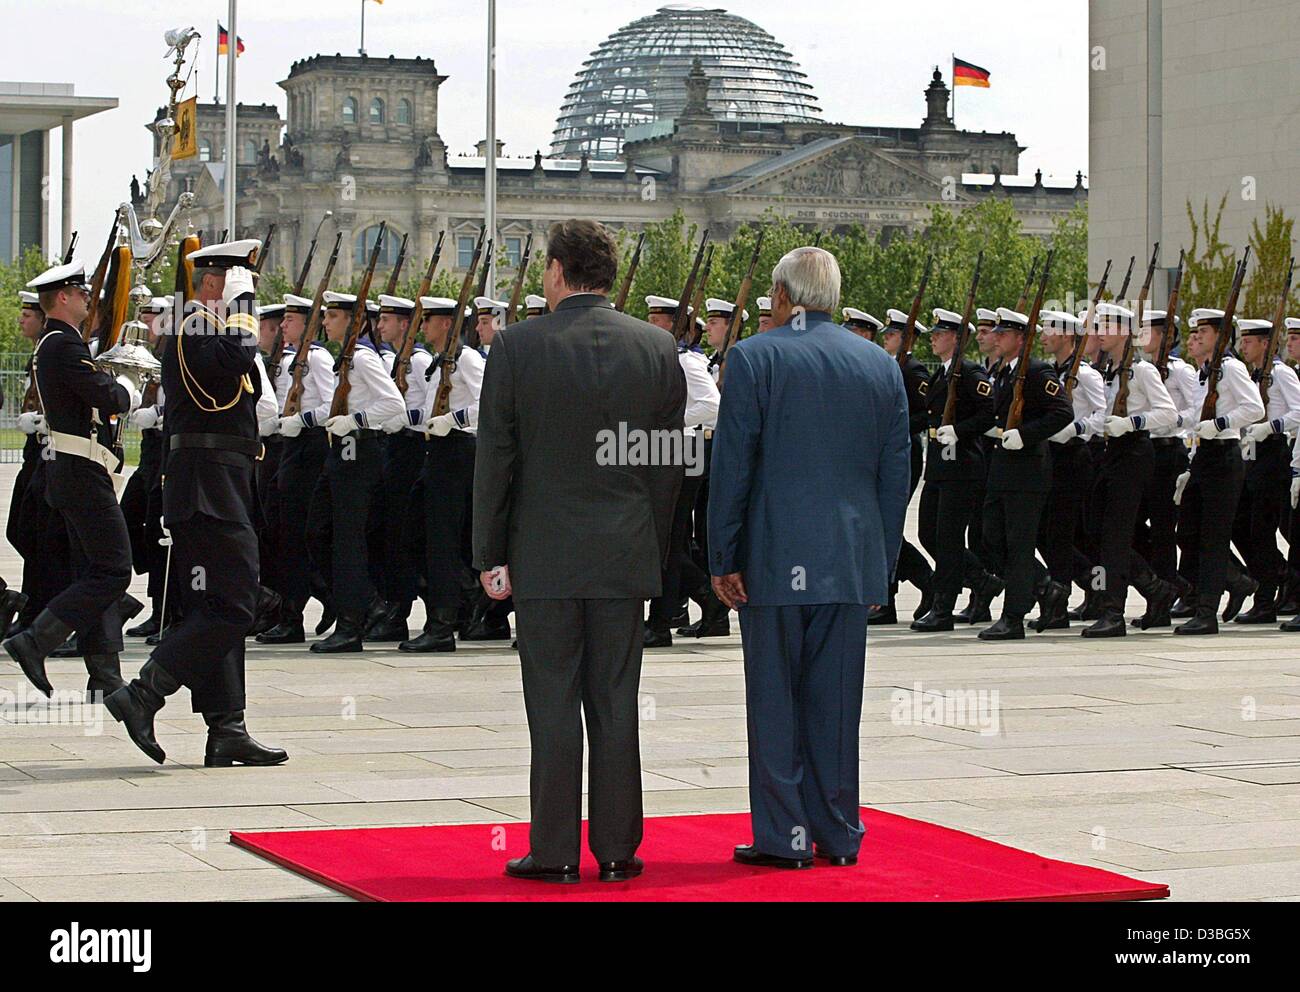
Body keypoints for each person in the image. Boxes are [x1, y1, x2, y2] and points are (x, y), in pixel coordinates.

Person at [474, 219, 686, 884]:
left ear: (560, 270)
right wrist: (648, 542)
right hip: (623, 554)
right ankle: (619, 850)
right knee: (617, 702)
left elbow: (495, 461)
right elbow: (667, 464)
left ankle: (557, 850)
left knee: (554, 703)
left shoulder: (515, 348)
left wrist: (489, 553)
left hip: (544, 557)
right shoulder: (656, 348)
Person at [709, 246, 911, 869]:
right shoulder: (879, 364)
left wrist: (722, 556)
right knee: (835, 704)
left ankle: (784, 837)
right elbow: (894, 475)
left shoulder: (752, 357)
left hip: (771, 562)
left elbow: (732, 468)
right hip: (848, 564)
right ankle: (839, 832)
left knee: (776, 703)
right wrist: (882, 563)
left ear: (780, 296)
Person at [104, 239, 286, 767]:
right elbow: (236, 356)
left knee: (220, 606)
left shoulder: (209, 331)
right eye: (238, 283)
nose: (243, 295)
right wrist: (247, 309)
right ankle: (143, 694)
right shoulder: (196, 327)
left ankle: (227, 727)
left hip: (221, 486)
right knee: (235, 604)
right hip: (207, 490)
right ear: (215, 282)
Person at [4, 259, 138, 700]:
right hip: (81, 473)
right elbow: (103, 397)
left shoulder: (58, 342)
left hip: (75, 470)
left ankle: (104, 672)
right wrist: (127, 389)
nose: (87, 297)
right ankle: (36, 639)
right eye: (80, 292)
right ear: (62, 298)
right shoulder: (64, 344)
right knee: (114, 570)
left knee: (93, 569)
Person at [306, 290, 405, 652]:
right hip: (340, 455)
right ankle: (366, 604)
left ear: (353, 321)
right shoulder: (345, 359)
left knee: (348, 543)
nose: (326, 322)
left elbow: (393, 402)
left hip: (358, 454)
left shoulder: (362, 358)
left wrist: (356, 420)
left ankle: (351, 626)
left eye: (333, 316)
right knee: (317, 531)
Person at [978, 308, 1074, 641]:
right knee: (991, 537)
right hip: (1002, 468)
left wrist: (1027, 434)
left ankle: (1013, 617)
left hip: (1028, 471)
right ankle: (1046, 588)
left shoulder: (1036, 371)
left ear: (1021, 339)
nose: (996, 338)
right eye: (997, 333)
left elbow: (1062, 412)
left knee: (1019, 546)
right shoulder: (1002, 373)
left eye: (1003, 334)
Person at [1173, 308, 1266, 635]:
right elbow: (1198, 419)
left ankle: (1206, 612)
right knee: (1186, 532)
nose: (1196, 336)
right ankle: (1236, 580)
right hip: (1203, 457)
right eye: (1195, 331)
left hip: (1225, 457)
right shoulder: (1203, 371)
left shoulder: (1230, 368)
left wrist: (1221, 424)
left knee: (1213, 538)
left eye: (1204, 332)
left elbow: (1255, 408)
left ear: (1220, 336)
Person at [402, 298, 485, 653]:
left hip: (457, 452)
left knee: (442, 542)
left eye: (429, 320)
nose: (422, 327)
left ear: (447, 324)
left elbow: (492, 401)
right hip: (436, 451)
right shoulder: (440, 364)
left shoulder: (465, 358)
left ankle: (443, 623)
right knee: (417, 534)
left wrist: (455, 419)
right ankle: (465, 601)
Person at [912, 308, 996, 632]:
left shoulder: (970, 374)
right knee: (928, 534)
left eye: (940, 333)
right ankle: (981, 580)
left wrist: (960, 431)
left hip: (961, 467)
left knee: (947, 539)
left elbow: (989, 415)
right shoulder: (941, 375)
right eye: (933, 332)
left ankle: (943, 608)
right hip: (939, 466)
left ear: (957, 339)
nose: (932, 337)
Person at [257, 293, 334, 644]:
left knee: (294, 534)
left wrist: (301, 420)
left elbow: (333, 404)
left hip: (310, 447)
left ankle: (295, 613)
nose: (283, 325)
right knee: (279, 530)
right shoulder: (290, 360)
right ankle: (290, 608)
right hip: (290, 446)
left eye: (291, 320)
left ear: (308, 324)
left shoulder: (317, 358)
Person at [1234, 318, 1300, 623]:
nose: (1243, 346)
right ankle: (1277, 578)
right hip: (1250, 454)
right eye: (1243, 340)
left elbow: (1299, 411)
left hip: (1273, 453)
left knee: (1262, 530)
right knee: (1245, 528)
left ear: (1264, 343)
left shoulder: (1281, 374)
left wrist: (1271, 427)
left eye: (1250, 341)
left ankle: (1266, 598)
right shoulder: (1251, 374)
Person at [873, 309, 934, 624]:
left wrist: (895, 427)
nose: (886, 338)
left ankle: (923, 583)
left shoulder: (913, 370)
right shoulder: (887, 367)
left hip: (904, 455)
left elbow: (926, 414)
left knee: (889, 527)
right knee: (884, 529)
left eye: (892, 334)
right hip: (884, 456)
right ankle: (891, 599)